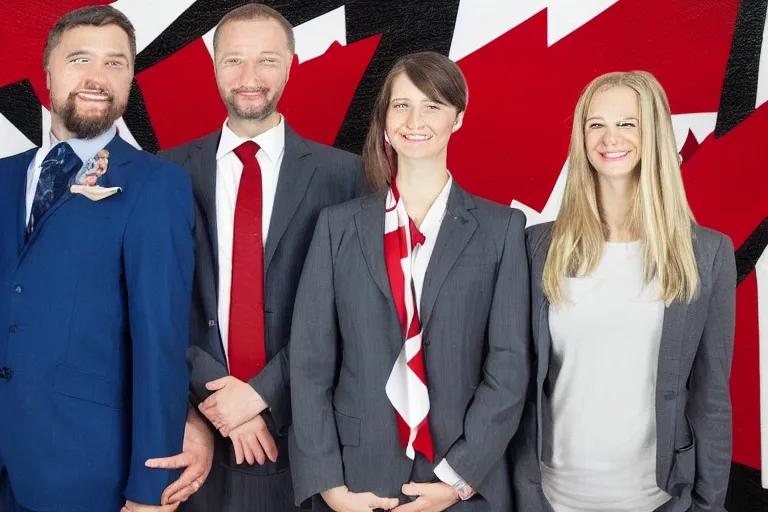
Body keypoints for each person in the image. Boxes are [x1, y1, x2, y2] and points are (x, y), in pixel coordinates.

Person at [289, 51, 530, 512]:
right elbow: (309, 364)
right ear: (384, 118)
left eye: (433, 106)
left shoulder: (502, 230)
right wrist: (329, 486)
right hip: (356, 482)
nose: (415, 120)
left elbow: (509, 366)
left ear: (457, 118)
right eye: (401, 105)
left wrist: (459, 479)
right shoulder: (337, 227)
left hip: (461, 483)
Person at [151, 4, 367, 511]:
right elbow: (152, 300)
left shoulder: (346, 175)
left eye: (267, 60)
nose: (250, 78)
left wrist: (261, 393)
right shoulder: (164, 172)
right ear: (214, 64)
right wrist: (218, 396)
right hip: (195, 428)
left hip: (308, 437)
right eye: (234, 61)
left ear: (292, 64)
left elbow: (354, 312)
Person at [511, 71, 736, 512]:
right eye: (596, 124)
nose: (610, 137)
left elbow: (711, 399)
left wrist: (709, 505)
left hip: (658, 499)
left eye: (627, 123)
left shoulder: (707, 253)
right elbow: (509, 378)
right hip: (549, 497)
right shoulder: (536, 247)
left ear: (653, 132)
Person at [0, 6, 194, 512]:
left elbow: (161, 344)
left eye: (116, 63)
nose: (97, 77)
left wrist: (151, 489)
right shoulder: (0, 176)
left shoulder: (158, 185)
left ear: (131, 78)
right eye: (80, 58)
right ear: (47, 73)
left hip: (82, 469)